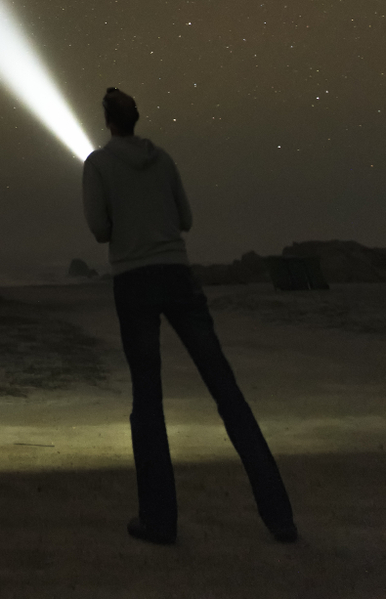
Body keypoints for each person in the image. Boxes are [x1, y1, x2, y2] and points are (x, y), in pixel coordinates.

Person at [82, 87, 296, 547]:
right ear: (135, 119)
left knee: (148, 397)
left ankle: (159, 521)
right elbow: (186, 219)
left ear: (107, 122)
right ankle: (280, 516)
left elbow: (100, 230)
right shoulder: (163, 161)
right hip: (178, 274)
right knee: (225, 389)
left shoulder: (97, 165)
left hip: (134, 282)